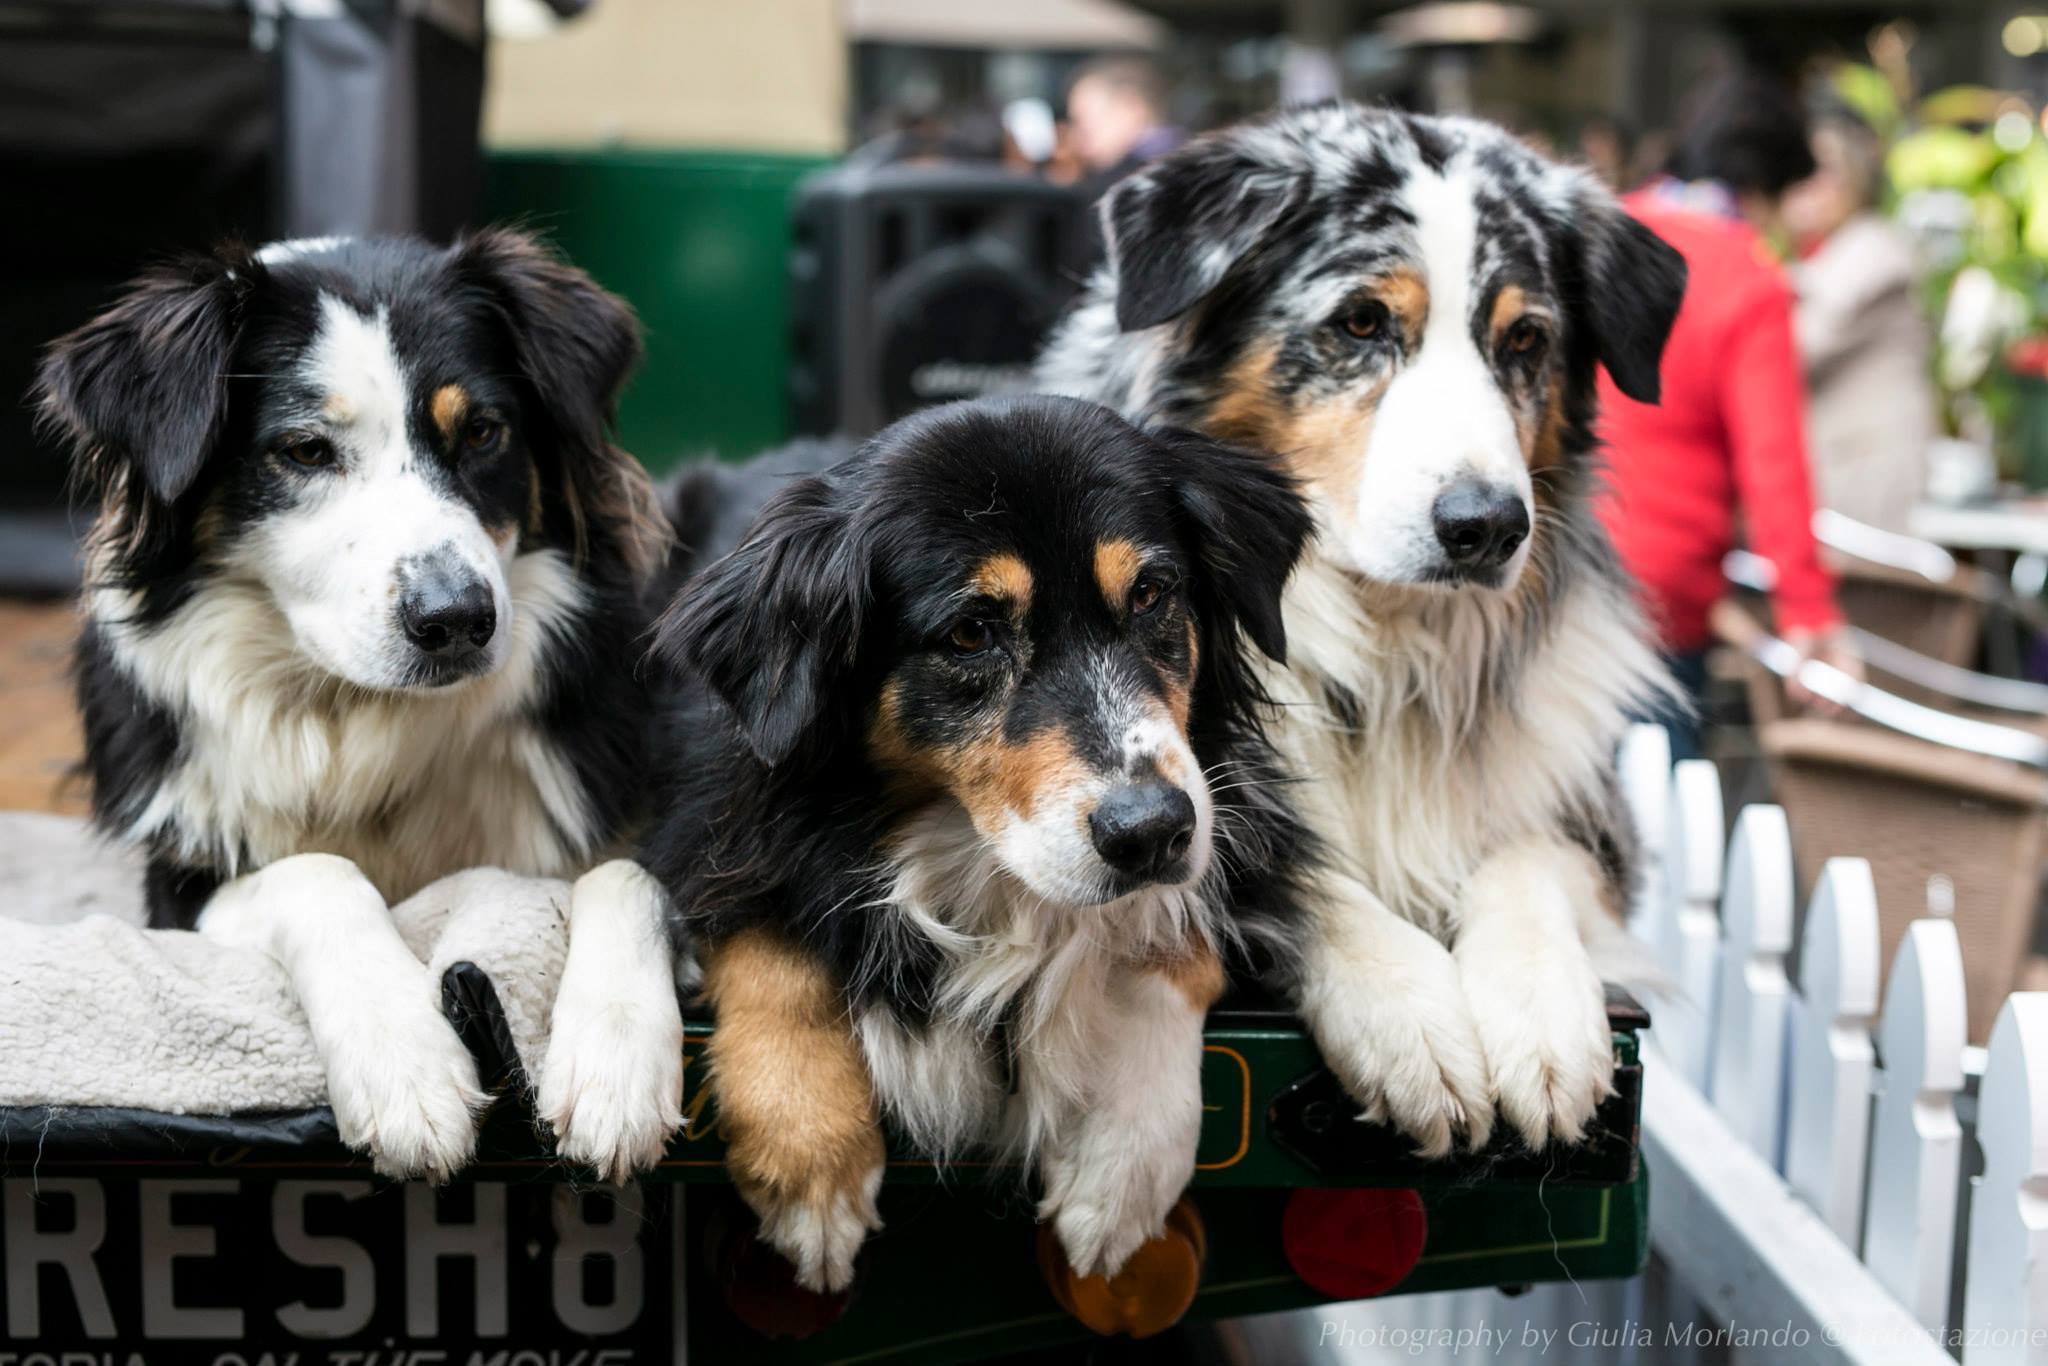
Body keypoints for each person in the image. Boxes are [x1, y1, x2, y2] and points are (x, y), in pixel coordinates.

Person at [1596, 71, 1857, 760]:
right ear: (1768, 189)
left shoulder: (1602, 234)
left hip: (1551, 572)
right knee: (1655, 823)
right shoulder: (1747, 278)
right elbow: (1774, 466)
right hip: (1659, 598)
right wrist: (1810, 615)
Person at [1781, 107, 1934, 533]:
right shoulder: (1810, 257)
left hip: (1864, 475)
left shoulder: (1876, 252)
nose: (1805, 184)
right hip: (1830, 471)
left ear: (1855, 178)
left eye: (1822, 170)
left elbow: (1794, 346)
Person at [1059, 55, 1182, 195]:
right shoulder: (1190, 165)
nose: (1076, 137)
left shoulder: (1125, 183)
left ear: (1130, 106)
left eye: (1085, 122)